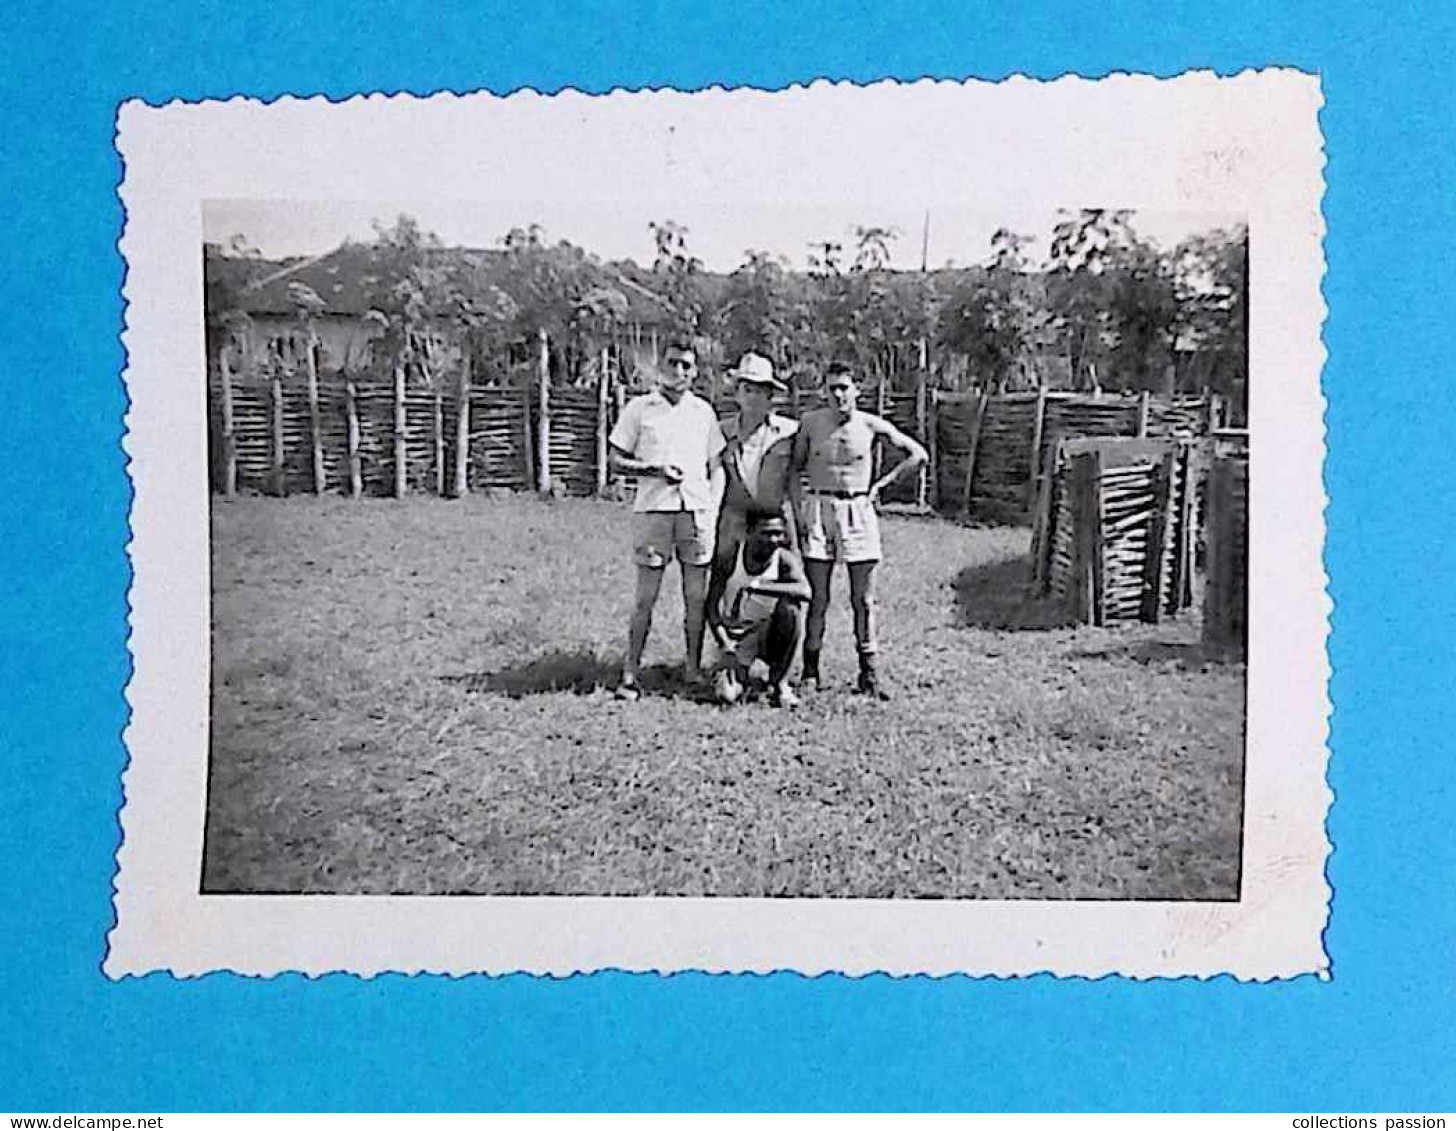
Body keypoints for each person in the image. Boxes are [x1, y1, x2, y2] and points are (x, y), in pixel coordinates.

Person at [790, 361, 929, 699]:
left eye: (844, 388)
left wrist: (881, 486)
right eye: (832, 388)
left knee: (863, 598)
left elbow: (917, 455)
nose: (838, 394)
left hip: (858, 510)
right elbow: (794, 470)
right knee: (817, 597)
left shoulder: (869, 425)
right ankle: (810, 670)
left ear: (856, 391)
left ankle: (869, 672)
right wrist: (801, 514)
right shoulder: (810, 424)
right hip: (820, 508)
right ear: (824, 391)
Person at [607, 339, 726, 701]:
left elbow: (716, 465)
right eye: (673, 364)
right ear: (661, 366)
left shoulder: (703, 412)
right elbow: (615, 459)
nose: (678, 372)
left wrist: (712, 505)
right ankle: (630, 672)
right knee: (646, 598)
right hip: (654, 510)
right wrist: (653, 469)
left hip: (695, 511)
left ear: (695, 372)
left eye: (686, 366)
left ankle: (691, 668)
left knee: (695, 598)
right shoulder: (640, 409)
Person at [711, 350, 800, 597]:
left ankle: (783, 633)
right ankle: (728, 627)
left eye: (761, 390)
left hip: (774, 520)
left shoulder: (788, 433)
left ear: (771, 396)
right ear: (737, 393)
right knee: (723, 578)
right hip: (734, 519)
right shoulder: (720, 431)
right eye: (748, 389)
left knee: (788, 582)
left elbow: (799, 476)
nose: (754, 397)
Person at [705, 510, 811, 708]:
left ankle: (779, 683)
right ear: (749, 532)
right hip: (736, 636)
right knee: (726, 696)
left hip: (767, 632)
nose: (773, 539)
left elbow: (805, 591)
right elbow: (711, 608)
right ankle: (739, 677)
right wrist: (725, 643)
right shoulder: (730, 557)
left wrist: (758, 586)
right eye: (766, 533)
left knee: (791, 610)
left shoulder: (784, 559)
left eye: (778, 533)